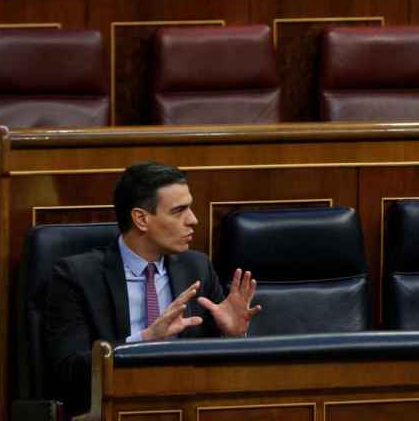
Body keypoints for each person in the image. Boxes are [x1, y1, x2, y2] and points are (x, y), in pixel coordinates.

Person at [45, 162, 261, 415]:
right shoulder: (77, 276)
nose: (193, 220)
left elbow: (221, 373)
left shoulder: (197, 268)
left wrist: (233, 338)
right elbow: (68, 371)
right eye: (179, 211)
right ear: (141, 219)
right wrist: (144, 341)